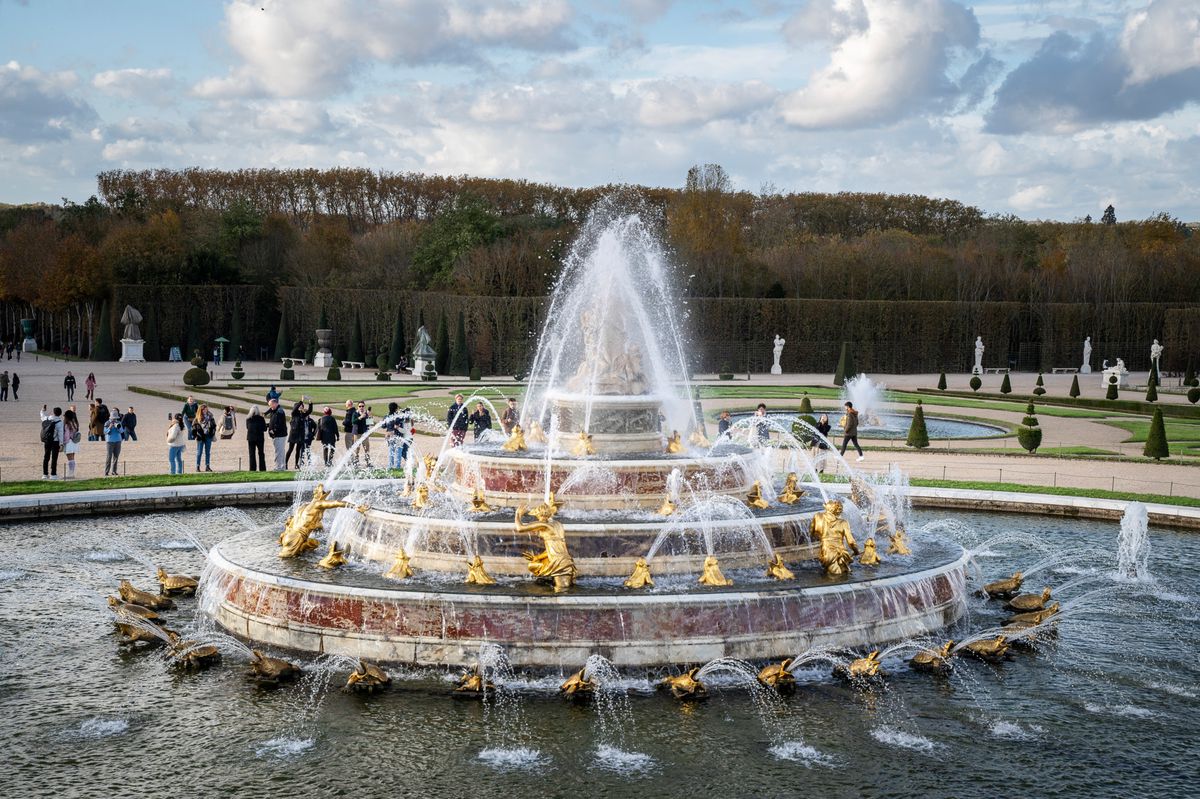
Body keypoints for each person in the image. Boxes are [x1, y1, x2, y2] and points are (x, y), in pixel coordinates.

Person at [40, 405, 64, 480]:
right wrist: (61, 444)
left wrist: (42, 410)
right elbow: (60, 434)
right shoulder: (59, 422)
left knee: (46, 457)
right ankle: (53, 474)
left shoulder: (47, 418)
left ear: (53, 412)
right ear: (60, 414)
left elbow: (42, 415)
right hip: (55, 441)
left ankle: (45, 474)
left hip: (47, 440)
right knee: (54, 458)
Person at [286, 401, 312, 469]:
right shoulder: (294, 414)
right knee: (290, 449)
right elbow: (295, 409)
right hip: (293, 434)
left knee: (298, 450)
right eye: (300, 406)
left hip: (300, 435)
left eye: (302, 406)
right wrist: (301, 402)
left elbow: (309, 411)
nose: (301, 407)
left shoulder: (302, 414)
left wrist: (310, 403)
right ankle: (285, 463)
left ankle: (296, 464)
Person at [191, 403, 217, 471]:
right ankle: (197, 466)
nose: (205, 410)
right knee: (199, 452)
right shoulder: (197, 418)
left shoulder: (210, 416)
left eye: (206, 409)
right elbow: (193, 428)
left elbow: (214, 425)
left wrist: (212, 433)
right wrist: (196, 436)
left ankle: (207, 466)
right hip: (200, 437)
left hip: (208, 436)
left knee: (208, 452)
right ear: (201, 410)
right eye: (203, 410)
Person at [266, 398, 287, 470]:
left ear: (275, 403)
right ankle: (282, 466)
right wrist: (268, 425)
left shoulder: (279, 411)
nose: (270, 407)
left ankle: (278, 467)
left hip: (279, 435)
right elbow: (273, 422)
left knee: (279, 451)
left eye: (271, 405)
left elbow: (280, 424)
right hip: (279, 434)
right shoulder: (275, 410)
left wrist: (274, 430)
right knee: (281, 451)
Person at [245, 405, 267, 472]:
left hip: (251, 438)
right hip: (259, 438)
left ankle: (252, 468)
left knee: (252, 454)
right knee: (261, 453)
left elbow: (247, 427)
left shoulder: (248, 419)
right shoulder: (261, 418)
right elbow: (265, 429)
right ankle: (262, 468)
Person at [103, 410, 124, 476]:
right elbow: (105, 432)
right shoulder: (107, 423)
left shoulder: (119, 423)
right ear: (110, 417)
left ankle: (114, 471)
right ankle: (106, 471)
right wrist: (110, 427)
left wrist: (117, 427)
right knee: (109, 457)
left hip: (118, 441)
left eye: (116, 418)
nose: (114, 419)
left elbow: (121, 431)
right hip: (110, 441)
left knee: (116, 457)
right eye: (113, 418)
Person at [62, 408, 80, 479]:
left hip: (69, 442)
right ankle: (71, 473)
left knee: (70, 459)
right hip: (74, 442)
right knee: (72, 458)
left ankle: (70, 474)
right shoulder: (75, 423)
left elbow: (66, 435)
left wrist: (63, 443)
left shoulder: (67, 424)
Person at [352, 401, 371, 466]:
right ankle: (356, 462)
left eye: (362, 406)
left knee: (367, 448)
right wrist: (360, 417)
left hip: (365, 433)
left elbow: (369, 423)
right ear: (358, 407)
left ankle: (368, 462)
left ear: (364, 406)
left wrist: (370, 416)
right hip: (357, 433)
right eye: (360, 406)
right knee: (357, 448)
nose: (361, 407)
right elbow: (353, 422)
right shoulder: (355, 413)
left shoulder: (366, 413)